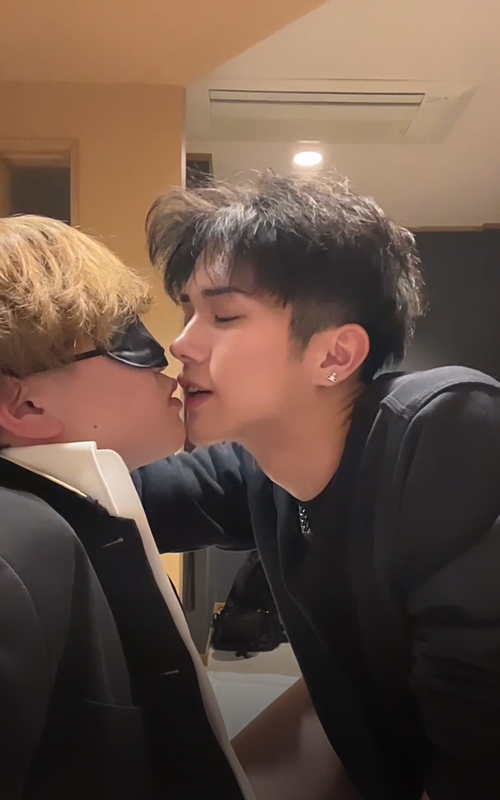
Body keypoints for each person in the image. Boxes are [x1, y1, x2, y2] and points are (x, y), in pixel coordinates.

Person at [133, 173, 500, 800]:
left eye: (224, 314)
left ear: (335, 356)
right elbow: (119, 500)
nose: (181, 343)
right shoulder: (257, 468)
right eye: (189, 312)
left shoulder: (443, 430)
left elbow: (482, 748)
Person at [0, 215, 254, 800]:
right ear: (28, 407)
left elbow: (224, 484)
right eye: (126, 338)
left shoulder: (72, 500)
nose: (172, 352)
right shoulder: (15, 554)